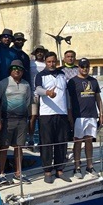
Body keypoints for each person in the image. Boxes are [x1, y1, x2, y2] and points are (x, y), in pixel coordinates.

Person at [33, 51, 72, 182]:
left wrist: (69, 111)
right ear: (45, 62)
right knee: (47, 143)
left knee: (61, 142)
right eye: (49, 62)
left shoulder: (62, 74)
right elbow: (38, 89)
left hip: (62, 113)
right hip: (46, 114)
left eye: (53, 61)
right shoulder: (40, 75)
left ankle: (60, 170)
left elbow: (66, 93)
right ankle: (47, 171)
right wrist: (47, 92)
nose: (51, 64)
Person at [68, 58, 103, 178]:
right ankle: (77, 167)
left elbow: (98, 98)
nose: (85, 69)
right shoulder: (72, 81)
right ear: (78, 67)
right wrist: (70, 116)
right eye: (82, 66)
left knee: (89, 141)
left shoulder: (94, 81)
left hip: (92, 115)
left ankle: (89, 165)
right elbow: (69, 100)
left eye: (87, 66)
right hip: (79, 116)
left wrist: (101, 114)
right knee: (77, 142)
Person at [0, 61, 33, 183]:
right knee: (4, 147)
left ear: (22, 71)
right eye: (14, 68)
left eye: (19, 69)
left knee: (19, 146)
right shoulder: (3, 83)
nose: (17, 70)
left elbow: (28, 101)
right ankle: (1, 174)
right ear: (10, 70)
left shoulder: (26, 85)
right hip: (7, 119)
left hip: (22, 120)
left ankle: (18, 173)